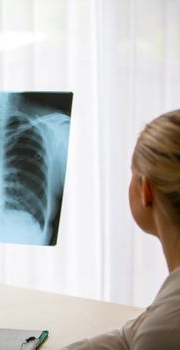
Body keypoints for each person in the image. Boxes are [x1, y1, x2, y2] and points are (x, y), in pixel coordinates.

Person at [64, 109, 180, 349]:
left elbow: (151, 335)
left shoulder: (163, 331)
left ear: (146, 190)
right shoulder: (163, 318)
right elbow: (129, 337)